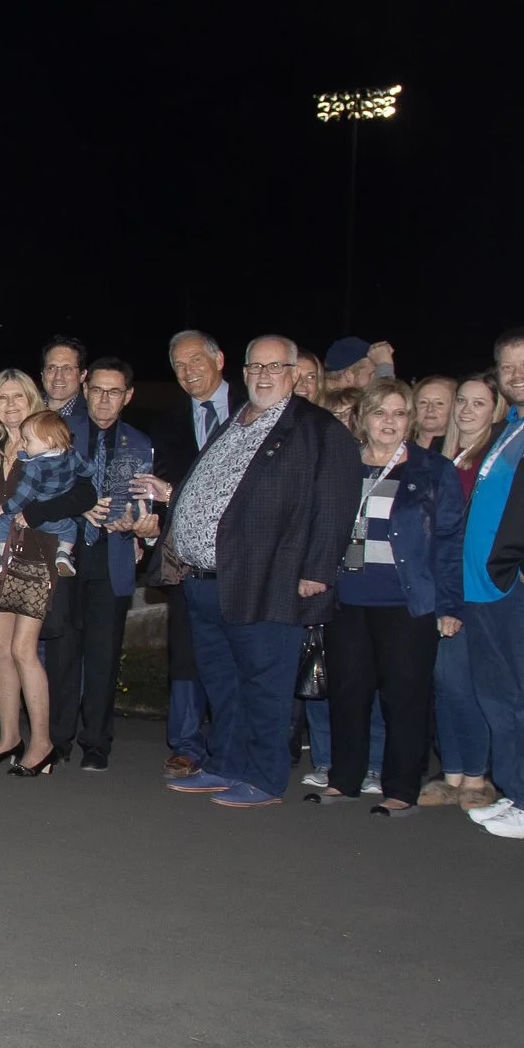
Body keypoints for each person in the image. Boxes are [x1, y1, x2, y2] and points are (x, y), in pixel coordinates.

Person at [155, 336, 360, 809]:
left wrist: (317, 570)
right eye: (256, 367)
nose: (264, 375)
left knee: (265, 685)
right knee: (222, 683)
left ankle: (265, 778)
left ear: (294, 373)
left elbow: (336, 501)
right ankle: (226, 765)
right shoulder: (235, 421)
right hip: (205, 580)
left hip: (269, 579)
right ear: (244, 372)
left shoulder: (317, 428)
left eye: (275, 366)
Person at [321, 379, 465, 815]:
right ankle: (344, 780)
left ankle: (401, 788)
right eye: (379, 412)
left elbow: (450, 541)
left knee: (405, 696)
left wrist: (449, 604)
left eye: (399, 413)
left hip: (406, 602)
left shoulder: (432, 469)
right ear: (362, 418)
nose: (389, 421)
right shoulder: (341, 464)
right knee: (348, 692)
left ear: (411, 420)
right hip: (347, 599)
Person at [0, 374, 93, 777]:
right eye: (1, 398)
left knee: (24, 650)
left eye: (17, 397)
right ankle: (9, 737)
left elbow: (85, 493)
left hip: (36, 556)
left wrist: (38, 513)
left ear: (32, 400)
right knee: (0, 651)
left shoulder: (48, 444)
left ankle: (42, 743)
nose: (9, 405)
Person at [461, 329, 524, 839]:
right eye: (509, 366)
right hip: (485, 589)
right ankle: (519, 793)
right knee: (497, 697)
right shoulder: (511, 426)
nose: (517, 375)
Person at [42, 357, 151, 771]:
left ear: (128, 396)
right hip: (67, 553)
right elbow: (41, 491)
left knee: (103, 655)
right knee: (62, 651)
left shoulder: (140, 442)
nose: (105, 399)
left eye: (114, 391)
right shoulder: (61, 433)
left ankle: (96, 743)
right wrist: (79, 507)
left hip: (112, 554)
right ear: (85, 391)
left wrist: (137, 524)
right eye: (98, 390)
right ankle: (58, 739)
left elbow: (148, 502)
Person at [137, 329, 235, 778]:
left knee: (242, 651)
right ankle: (186, 743)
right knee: (187, 649)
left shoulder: (254, 409)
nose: (187, 371)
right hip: (188, 558)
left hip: (244, 556)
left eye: (195, 360)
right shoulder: (168, 423)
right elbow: (159, 491)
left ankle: (235, 742)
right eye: (178, 364)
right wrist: (149, 525)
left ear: (220, 359)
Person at [426, 374, 504, 807]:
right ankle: (451, 774)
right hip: (439, 584)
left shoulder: (493, 460)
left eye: (479, 403)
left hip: (471, 587)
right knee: (442, 681)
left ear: (496, 410)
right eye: (462, 400)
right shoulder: (445, 457)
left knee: (460, 683)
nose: (467, 410)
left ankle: (476, 777)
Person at [0, 409, 82, 580]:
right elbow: (88, 468)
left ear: (48, 441)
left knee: (0, 523)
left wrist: (5, 508)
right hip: (56, 519)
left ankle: (3, 556)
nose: (23, 444)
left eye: (27, 441)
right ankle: (64, 553)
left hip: (31, 515)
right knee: (70, 527)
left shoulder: (34, 467)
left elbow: (23, 497)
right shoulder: (71, 455)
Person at [38, 337, 87, 429]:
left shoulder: (93, 417)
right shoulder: (26, 408)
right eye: (51, 368)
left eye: (67, 369)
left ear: (82, 375)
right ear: (42, 374)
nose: (58, 377)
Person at [324, 337, 396, 392]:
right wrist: (386, 367)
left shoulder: (323, 396)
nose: (376, 377)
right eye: (372, 373)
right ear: (349, 375)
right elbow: (386, 402)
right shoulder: (343, 405)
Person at [412, 375, 456, 452]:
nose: (430, 409)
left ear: (453, 408)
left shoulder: (460, 453)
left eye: (439, 403)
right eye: (423, 402)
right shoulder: (399, 448)